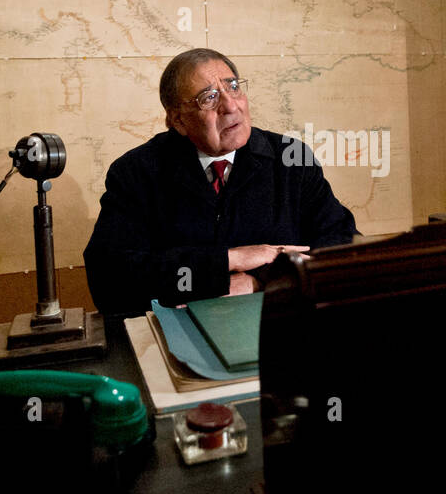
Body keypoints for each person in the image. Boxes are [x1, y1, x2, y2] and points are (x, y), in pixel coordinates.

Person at [84, 48, 358, 317]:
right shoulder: (137, 172)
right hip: (180, 333)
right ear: (178, 120)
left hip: (279, 323)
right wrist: (227, 262)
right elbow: (110, 281)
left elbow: (340, 246)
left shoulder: (292, 159)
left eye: (234, 87)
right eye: (209, 98)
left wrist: (260, 281)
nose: (230, 106)